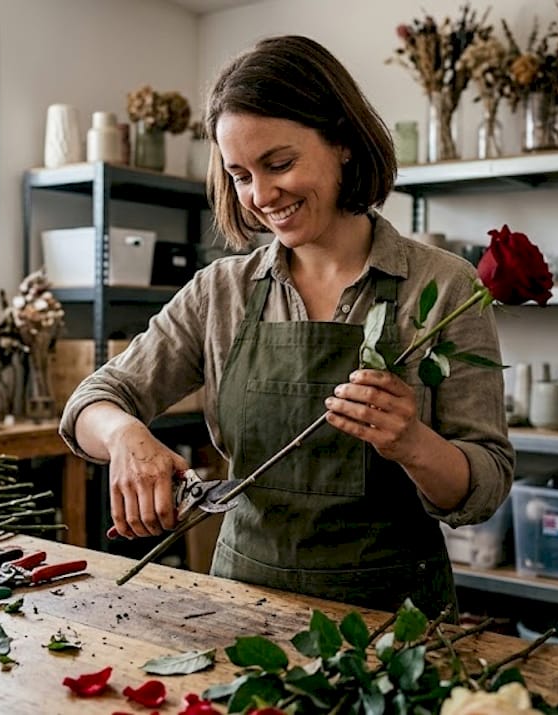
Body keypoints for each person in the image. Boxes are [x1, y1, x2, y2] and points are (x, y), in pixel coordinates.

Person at [59, 35, 513, 613]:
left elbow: (486, 486)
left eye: (280, 164)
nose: (261, 196)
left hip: (397, 625)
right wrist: (127, 438)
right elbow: (93, 400)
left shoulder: (443, 287)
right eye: (241, 175)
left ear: (343, 142)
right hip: (242, 609)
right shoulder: (220, 291)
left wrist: (413, 443)